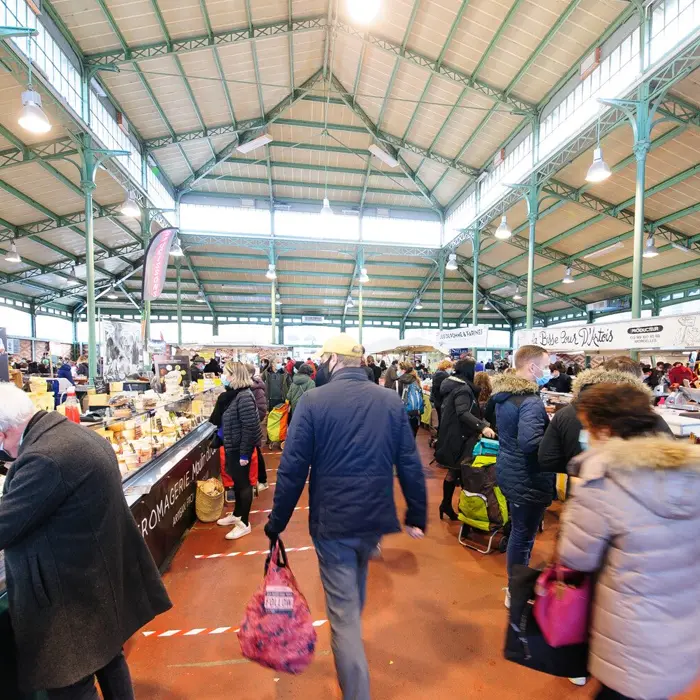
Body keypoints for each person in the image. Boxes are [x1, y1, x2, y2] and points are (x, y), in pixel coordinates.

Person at [264, 333, 427, 700]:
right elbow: (409, 463)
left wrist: (277, 523)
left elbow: (292, 470)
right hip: (373, 521)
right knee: (355, 590)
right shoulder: (388, 401)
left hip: (333, 522)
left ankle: (357, 692)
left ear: (333, 361)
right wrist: (416, 513)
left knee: (344, 616)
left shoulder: (313, 402)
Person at [0, 384, 171, 698]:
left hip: (67, 601)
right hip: (96, 580)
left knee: (71, 685)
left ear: (4, 433)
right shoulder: (79, 435)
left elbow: (6, 525)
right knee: (109, 657)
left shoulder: (43, 458)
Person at [558, 383, 700, 700]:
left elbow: (576, 556)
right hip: (682, 627)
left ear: (605, 430)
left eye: (588, 428)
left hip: (629, 629)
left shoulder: (604, 479)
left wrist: (575, 508)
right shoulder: (691, 470)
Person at [491, 344, 553, 608]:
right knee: (523, 534)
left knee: (520, 531)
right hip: (527, 476)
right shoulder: (529, 401)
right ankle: (516, 589)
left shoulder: (504, 395)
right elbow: (530, 443)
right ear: (532, 367)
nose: (548, 370)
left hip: (510, 469)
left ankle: (516, 583)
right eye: (546, 365)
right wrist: (555, 444)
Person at [538, 356, 673, 477]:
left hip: (583, 491)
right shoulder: (646, 417)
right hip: (632, 496)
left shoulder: (566, 413)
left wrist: (580, 468)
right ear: (637, 380)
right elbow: (671, 461)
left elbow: (547, 459)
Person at [436, 359, 495, 521]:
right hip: (461, 438)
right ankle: (466, 510)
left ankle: (447, 505)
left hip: (453, 435)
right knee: (466, 473)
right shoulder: (463, 389)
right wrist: (482, 426)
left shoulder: (453, 386)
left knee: (454, 471)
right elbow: (463, 412)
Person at [216, 361, 262, 541]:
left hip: (239, 449)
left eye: (226, 373)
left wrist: (244, 453)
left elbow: (250, 427)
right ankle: (236, 513)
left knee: (243, 485)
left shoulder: (244, 396)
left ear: (234, 376)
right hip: (232, 446)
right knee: (236, 482)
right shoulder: (235, 395)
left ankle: (244, 522)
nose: (224, 377)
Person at [247, 363, 268, 492]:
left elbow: (261, 409)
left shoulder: (257, 389)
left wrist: (252, 420)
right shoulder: (245, 388)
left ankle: (263, 480)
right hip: (248, 427)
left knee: (256, 453)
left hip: (252, 427)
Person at [397, 361, 422, 437]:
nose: (397, 371)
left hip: (402, 414)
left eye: (398, 369)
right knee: (412, 439)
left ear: (403, 370)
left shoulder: (398, 382)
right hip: (415, 414)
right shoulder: (416, 380)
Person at [429, 359, 452, 425]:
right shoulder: (443, 375)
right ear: (446, 367)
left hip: (437, 400)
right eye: (450, 367)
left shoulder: (438, 373)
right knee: (442, 420)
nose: (451, 369)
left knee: (440, 419)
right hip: (441, 401)